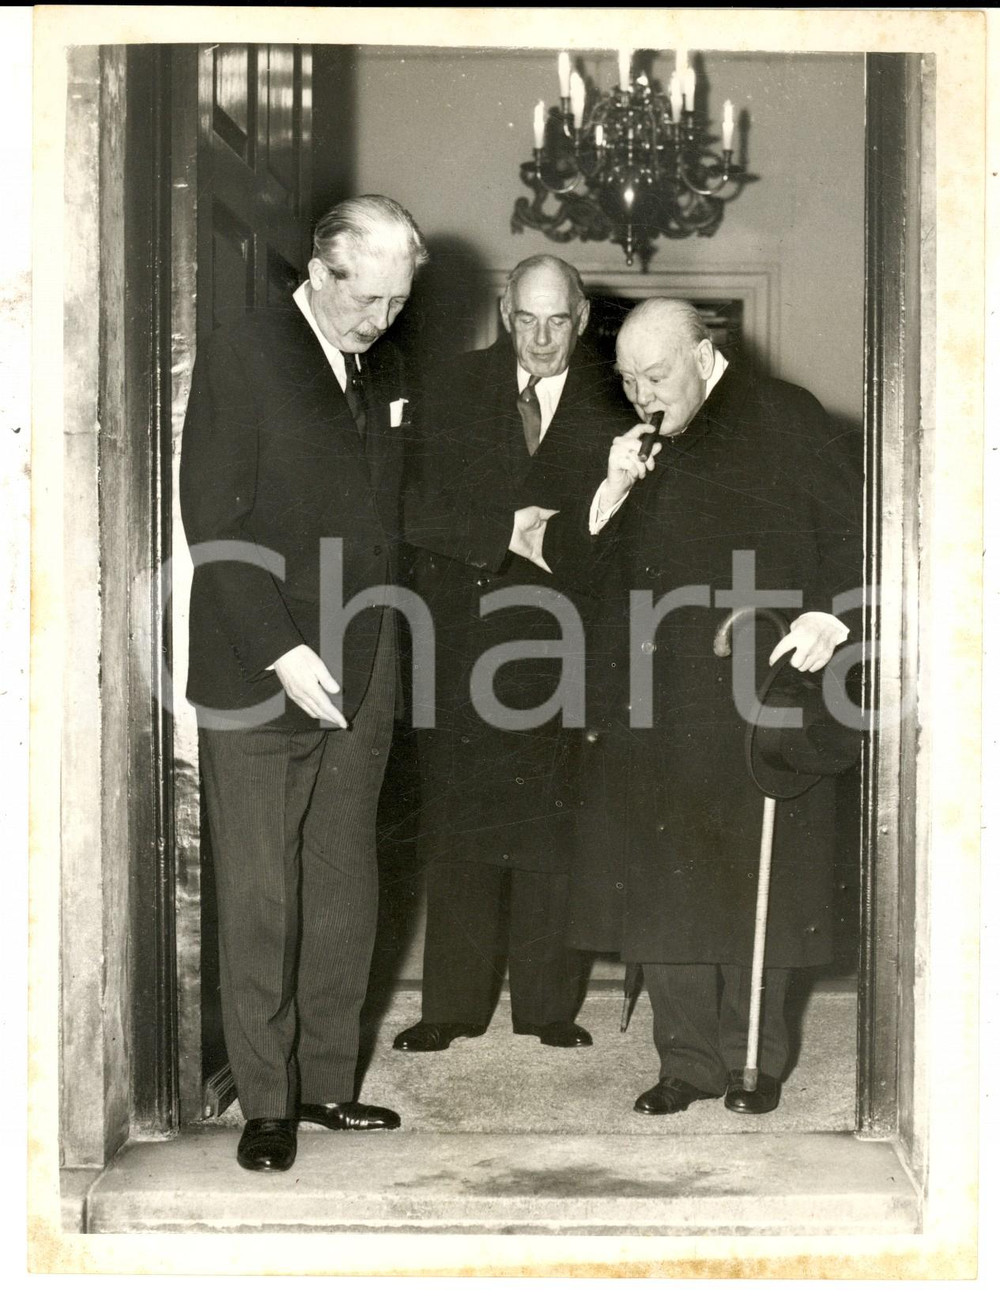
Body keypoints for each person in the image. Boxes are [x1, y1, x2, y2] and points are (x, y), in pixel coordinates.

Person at [179, 195, 428, 1172]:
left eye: (395, 304)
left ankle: (327, 1083)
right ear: (320, 273)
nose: (380, 321)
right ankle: (267, 1103)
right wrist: (284, 649)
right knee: (262, 896)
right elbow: (214, 517)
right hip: (260, 666)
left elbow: (394, 508)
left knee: (341, 885)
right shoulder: (245, 353)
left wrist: (511, 529)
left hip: (362, 666)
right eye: (366, 300)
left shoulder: (379, 365)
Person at [566, 298, 863, 1116]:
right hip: (658, 698)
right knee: (666, 884)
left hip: (759, 684)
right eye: (626, 382)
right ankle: (684, 1063)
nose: (640, 396)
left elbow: (854, 530)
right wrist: (613, 491)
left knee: (758, 880)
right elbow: (597, 578)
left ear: (701, 356)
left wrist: (831, 613)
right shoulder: (646, 445)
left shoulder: (785, 415)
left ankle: (751, 1062)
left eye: (654, 376)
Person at [393, 255, 635, 1053]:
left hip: (563, 646)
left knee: (551, 834)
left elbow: (630, 539)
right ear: (505, 312)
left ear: (583, 317)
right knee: (458, 830)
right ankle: (450, 1008)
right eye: (525, 319)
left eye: (556, 321)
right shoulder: (449, 388)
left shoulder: (614, 400)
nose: (539, 338)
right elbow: (409, 503)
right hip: (460, 639)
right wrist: (505, 532)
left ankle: (547, 1009)